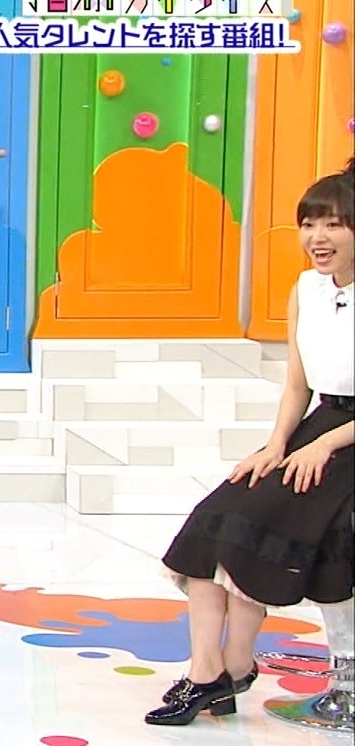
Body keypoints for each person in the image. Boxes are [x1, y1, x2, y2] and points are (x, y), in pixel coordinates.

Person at [145, 157, 354, 726]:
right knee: (216, 520)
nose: (317, 237)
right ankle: (215, 669)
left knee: (268, 527)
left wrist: (325, 446)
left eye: (333, 224)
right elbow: (298, 384)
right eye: (308, 224)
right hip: (316, 428)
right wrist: (276, 445)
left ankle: (229, 671)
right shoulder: (306, 290)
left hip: (345, 442)